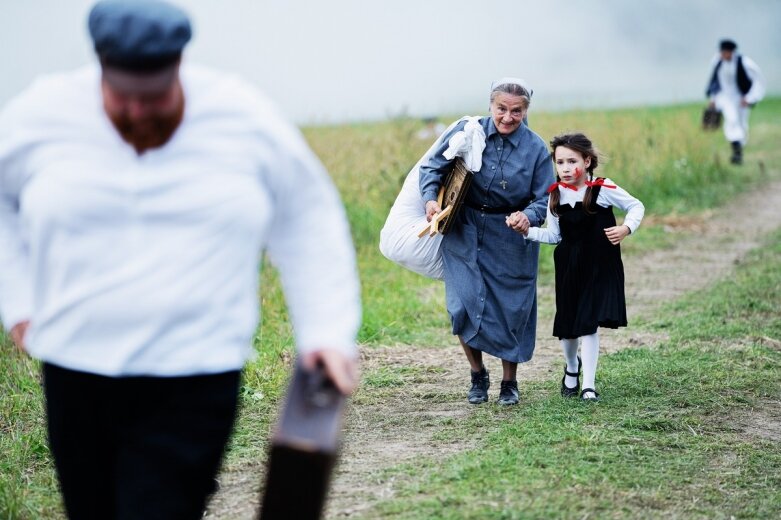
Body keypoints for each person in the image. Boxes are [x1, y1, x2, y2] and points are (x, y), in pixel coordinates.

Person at [0, 1, 361, 518]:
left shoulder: (242, 117)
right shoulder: (40, 117)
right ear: (100, 72)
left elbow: (308, 217)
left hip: (195, 371)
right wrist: (18, 301)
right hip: (75, 369)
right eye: (123, 99)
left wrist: (326, 331)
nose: (139, 113)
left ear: (178, 70)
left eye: (155, 98)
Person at [420, 78, 554, 406]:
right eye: (501, 109)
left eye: (516, 111)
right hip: (464, 230)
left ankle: (510, 382)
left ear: (526, 110)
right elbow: (432, 168)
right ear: (490, 105)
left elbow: (545, 198)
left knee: (512, 310)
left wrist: (529, 215)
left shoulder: (536, 149)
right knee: (462, 306)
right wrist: (430, 201)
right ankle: (477, 374)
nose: (508, 117)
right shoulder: (469, 132)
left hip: (511, 236)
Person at [510, 133, 644, 401]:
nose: (566, 168)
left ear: (588, 160)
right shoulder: (555, 195)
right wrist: (526, 231)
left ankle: (589, 385)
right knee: (569, 326)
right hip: (569, 266)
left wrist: (626, 228)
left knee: (588, 324)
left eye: (572, 161)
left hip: (599, 264)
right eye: (560, 163)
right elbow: (553, 236)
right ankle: (572, 367)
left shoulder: (602, 188)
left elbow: (635, 206)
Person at [705, 39, 766, 165]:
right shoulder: (717, 62)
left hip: (740, 97)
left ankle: (738, 149)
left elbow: (758, 81)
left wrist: (750, 98)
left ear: (731, 52)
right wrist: (713, 98)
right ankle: (736, 152)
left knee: (742, 124)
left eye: (725, 52)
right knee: (731, 120)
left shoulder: (744, 62)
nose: (722, 54)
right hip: (724, 97)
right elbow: (714, 81)